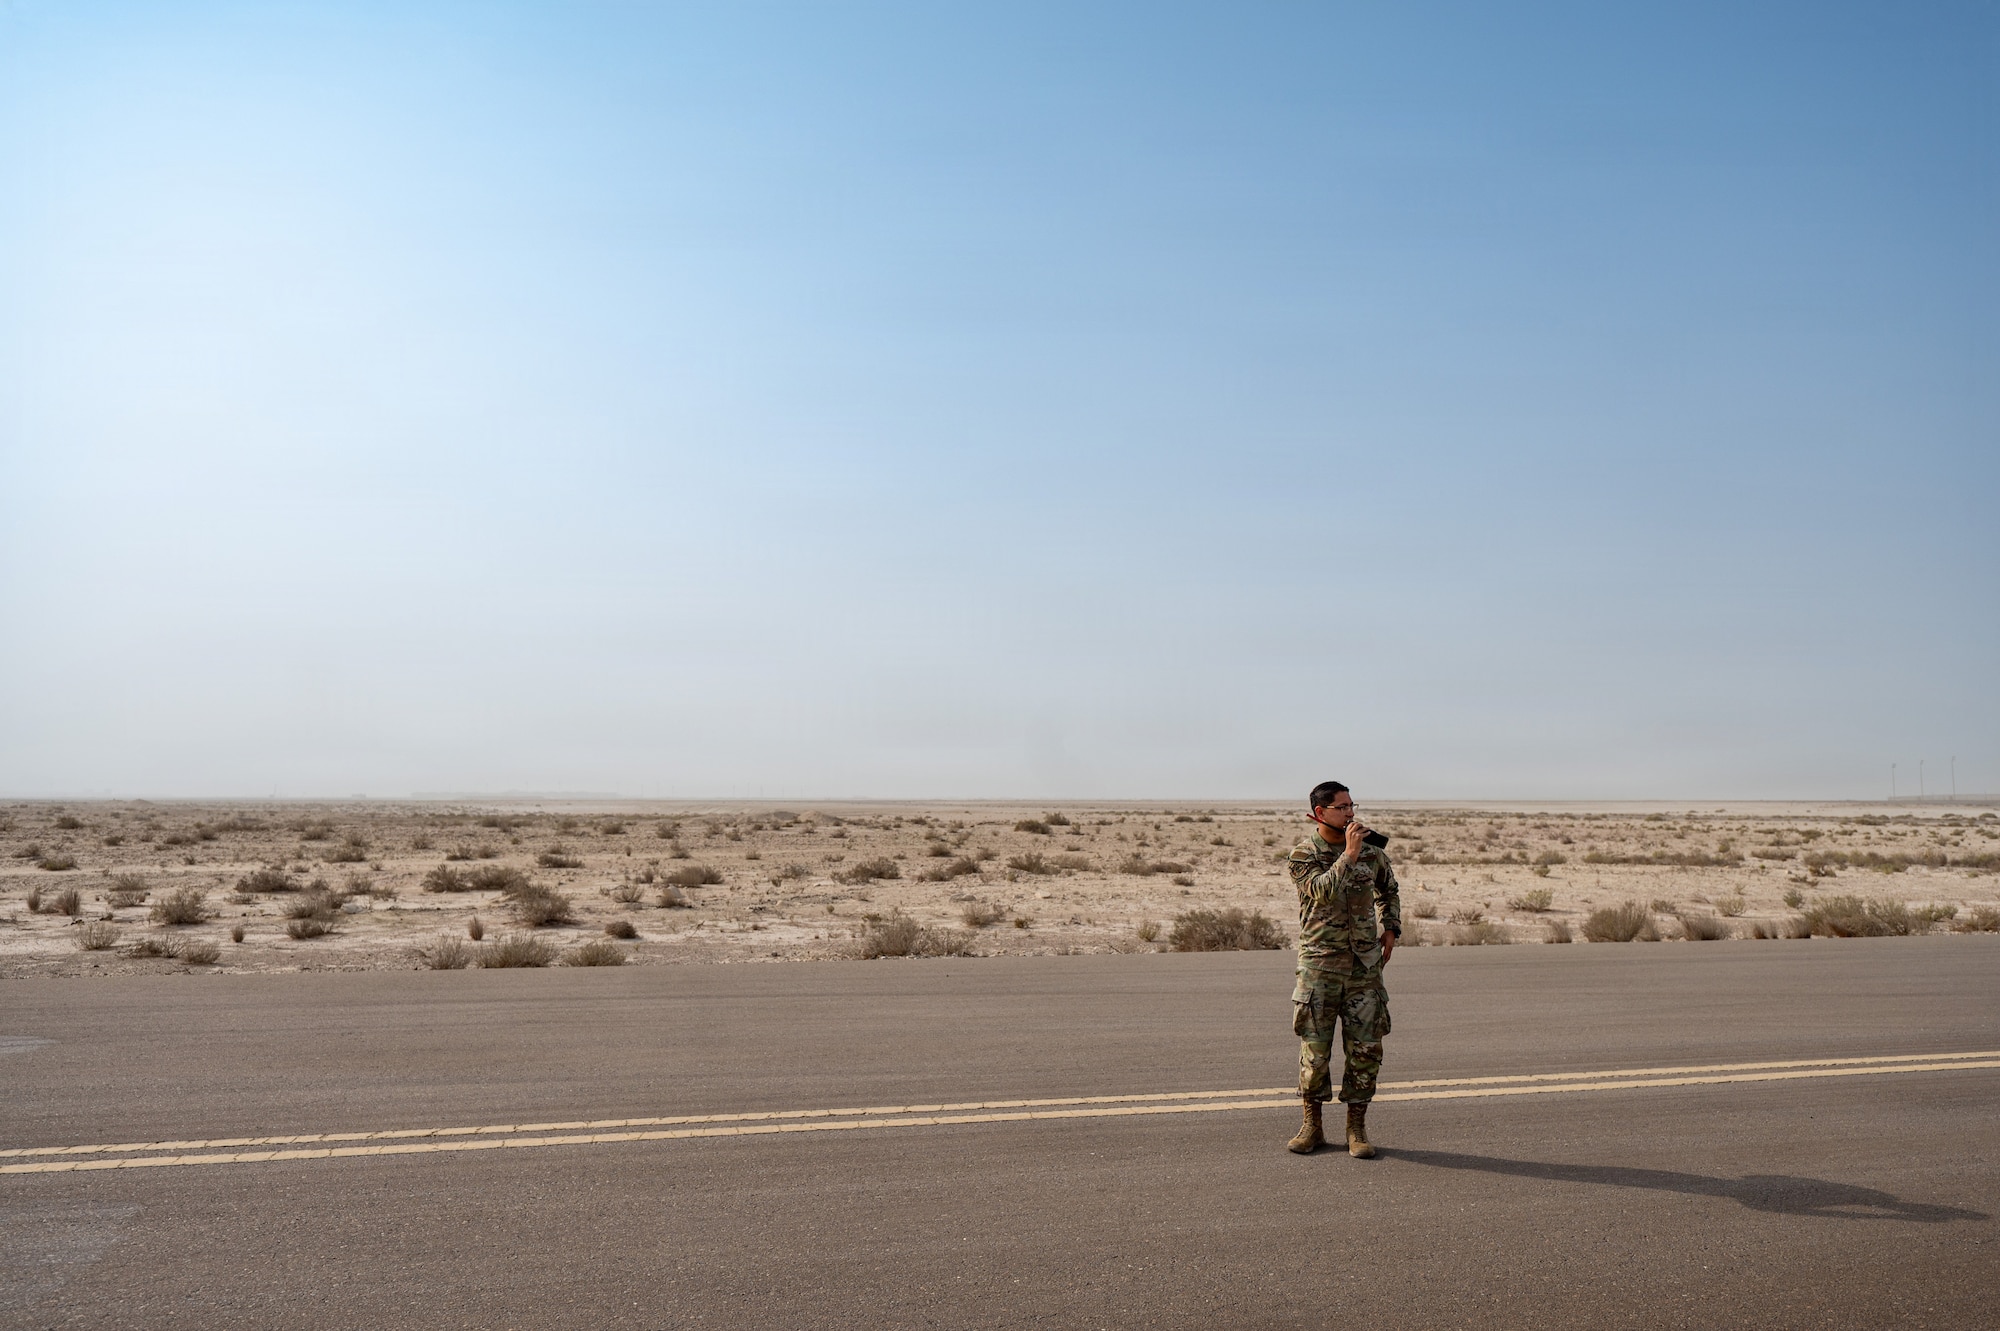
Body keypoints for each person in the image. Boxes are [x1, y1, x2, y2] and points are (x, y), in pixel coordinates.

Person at [1285, 780, 1401, 1156]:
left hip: (1364, 969)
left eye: (1352, 805)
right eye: (1342, 807)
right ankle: (1312, 1126)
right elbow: (1318, 891)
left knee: (1366, 1051)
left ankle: (1357, 1128)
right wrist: (1347, 856)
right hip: (1320, 968)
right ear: (1320, 813)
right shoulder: (1303, 854)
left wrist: (1392, 928)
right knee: (1315, 1054)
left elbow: (1390, 889)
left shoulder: (1373, 853)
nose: (1351, 813)